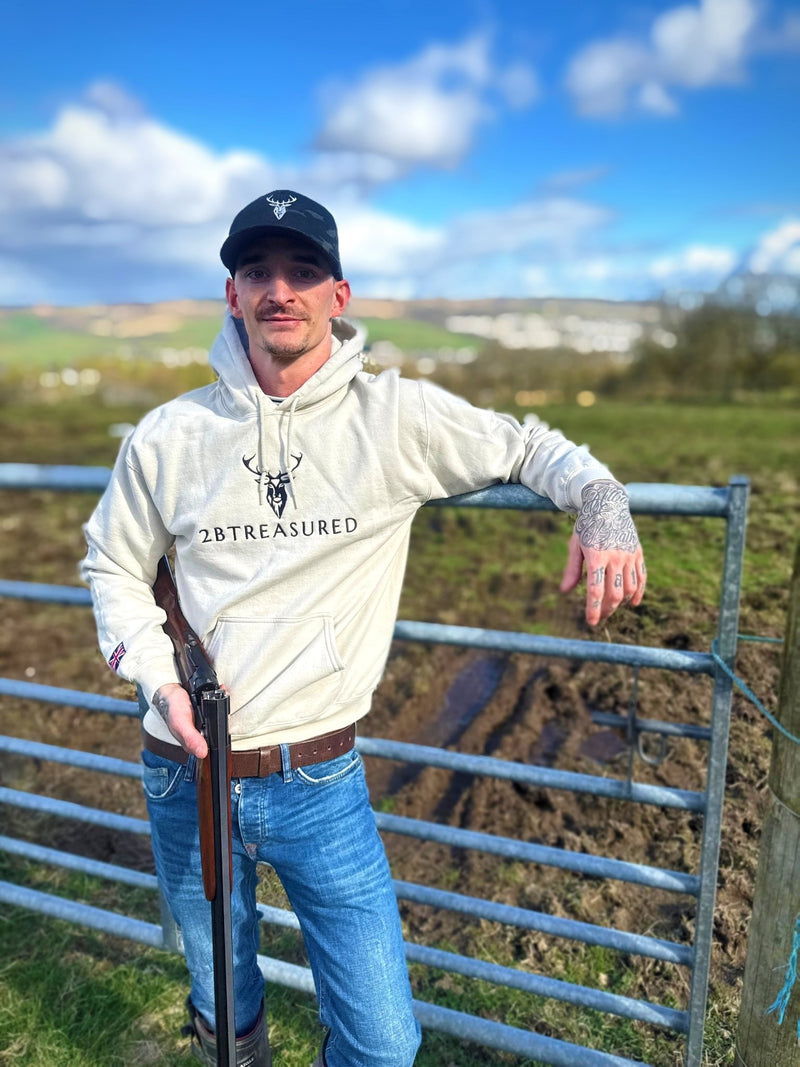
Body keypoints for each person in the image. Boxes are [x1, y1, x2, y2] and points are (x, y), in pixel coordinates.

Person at [81, 190, 646, 1067]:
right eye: (257, 271)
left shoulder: (397, 418)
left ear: (338, 295)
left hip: (318, 777)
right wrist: (158, 677)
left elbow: (530, 446)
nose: (280, 290)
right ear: (232, 293)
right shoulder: (167, 436)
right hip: (183, 770)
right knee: (224, 1004)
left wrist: (601, 502)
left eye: (303, 272)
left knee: (382, 1042)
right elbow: (113, 565)